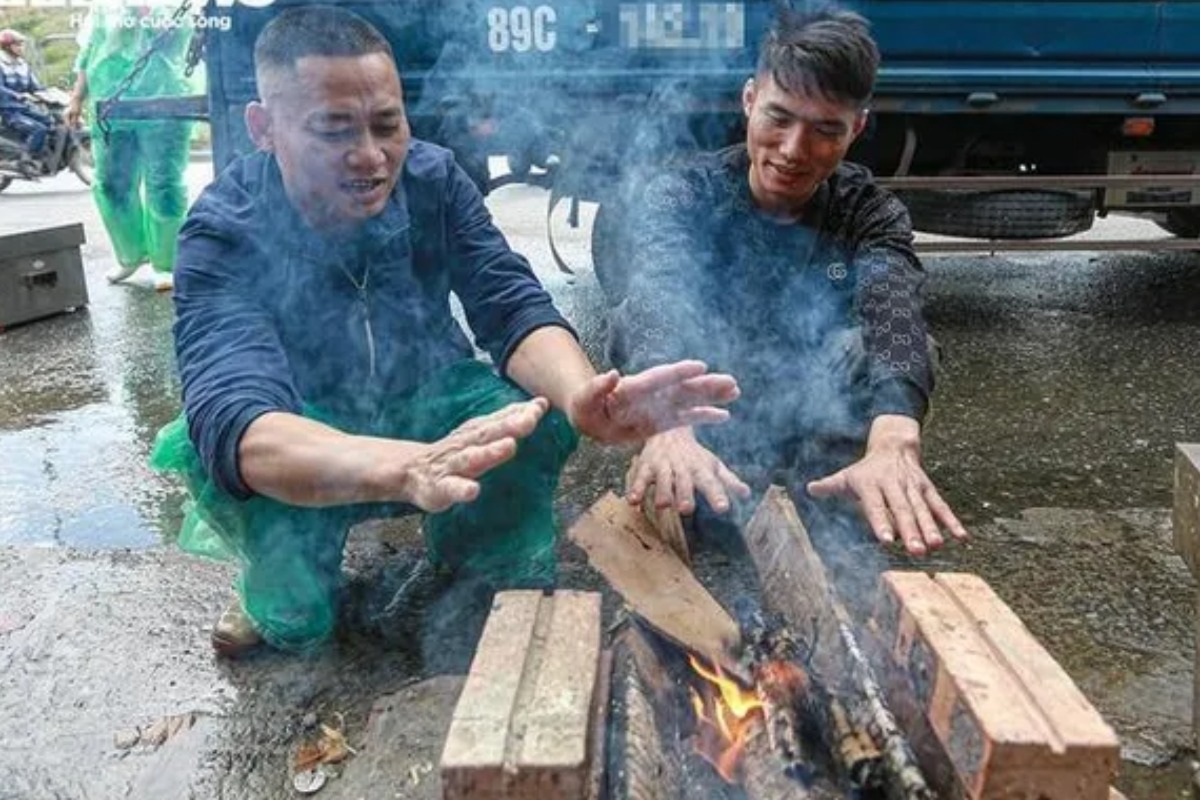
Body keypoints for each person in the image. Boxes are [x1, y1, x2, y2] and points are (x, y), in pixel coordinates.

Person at [149, 5, 739, 658]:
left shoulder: (433, 179)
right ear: (263, 128)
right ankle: (277, 589)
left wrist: (581, 398)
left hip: (429, 398)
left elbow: (509, 305)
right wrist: (405, 467)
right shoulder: (223, 229)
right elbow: (240, 421)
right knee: (229, 470)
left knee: (530, 417)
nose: (370, 158)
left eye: (386, 124)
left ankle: (479, 571)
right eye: (333, 130)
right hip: (304, 426)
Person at [605, 9, 967, 590]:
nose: (794, 149)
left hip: (808, 416)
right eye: (779, 118)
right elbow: (657, 292)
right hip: (711, 415)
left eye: (826, 129)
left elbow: (893, 308)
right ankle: (680, 468)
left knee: (874, 346)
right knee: (635, 320)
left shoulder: (868, 212)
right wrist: (665, 420)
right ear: (750, 100)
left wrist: (896, 433)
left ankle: (832, 499)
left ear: (857, 128)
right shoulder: (686, 193)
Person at [66, 3, 198, 291]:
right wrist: (77, 98)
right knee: (112, 183)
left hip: (164, 98)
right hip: (111, 101)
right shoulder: (104, 8)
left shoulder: (175, 6)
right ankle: (130, 255)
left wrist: (147, 15)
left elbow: (178, 43)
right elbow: (89, 52)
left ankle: (167, 262)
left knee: (164, 183)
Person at [0, 28, 52, 169]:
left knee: (50, 121)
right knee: (38, 129)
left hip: (24, 108)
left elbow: (35, 86)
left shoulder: (23, 65)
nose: (21, 48)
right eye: (17, 45)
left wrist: (51, 94)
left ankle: (42, 155)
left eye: (21, 44)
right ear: (7, 47)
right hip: (9, 110)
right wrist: (16, 95)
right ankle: (25, 159)